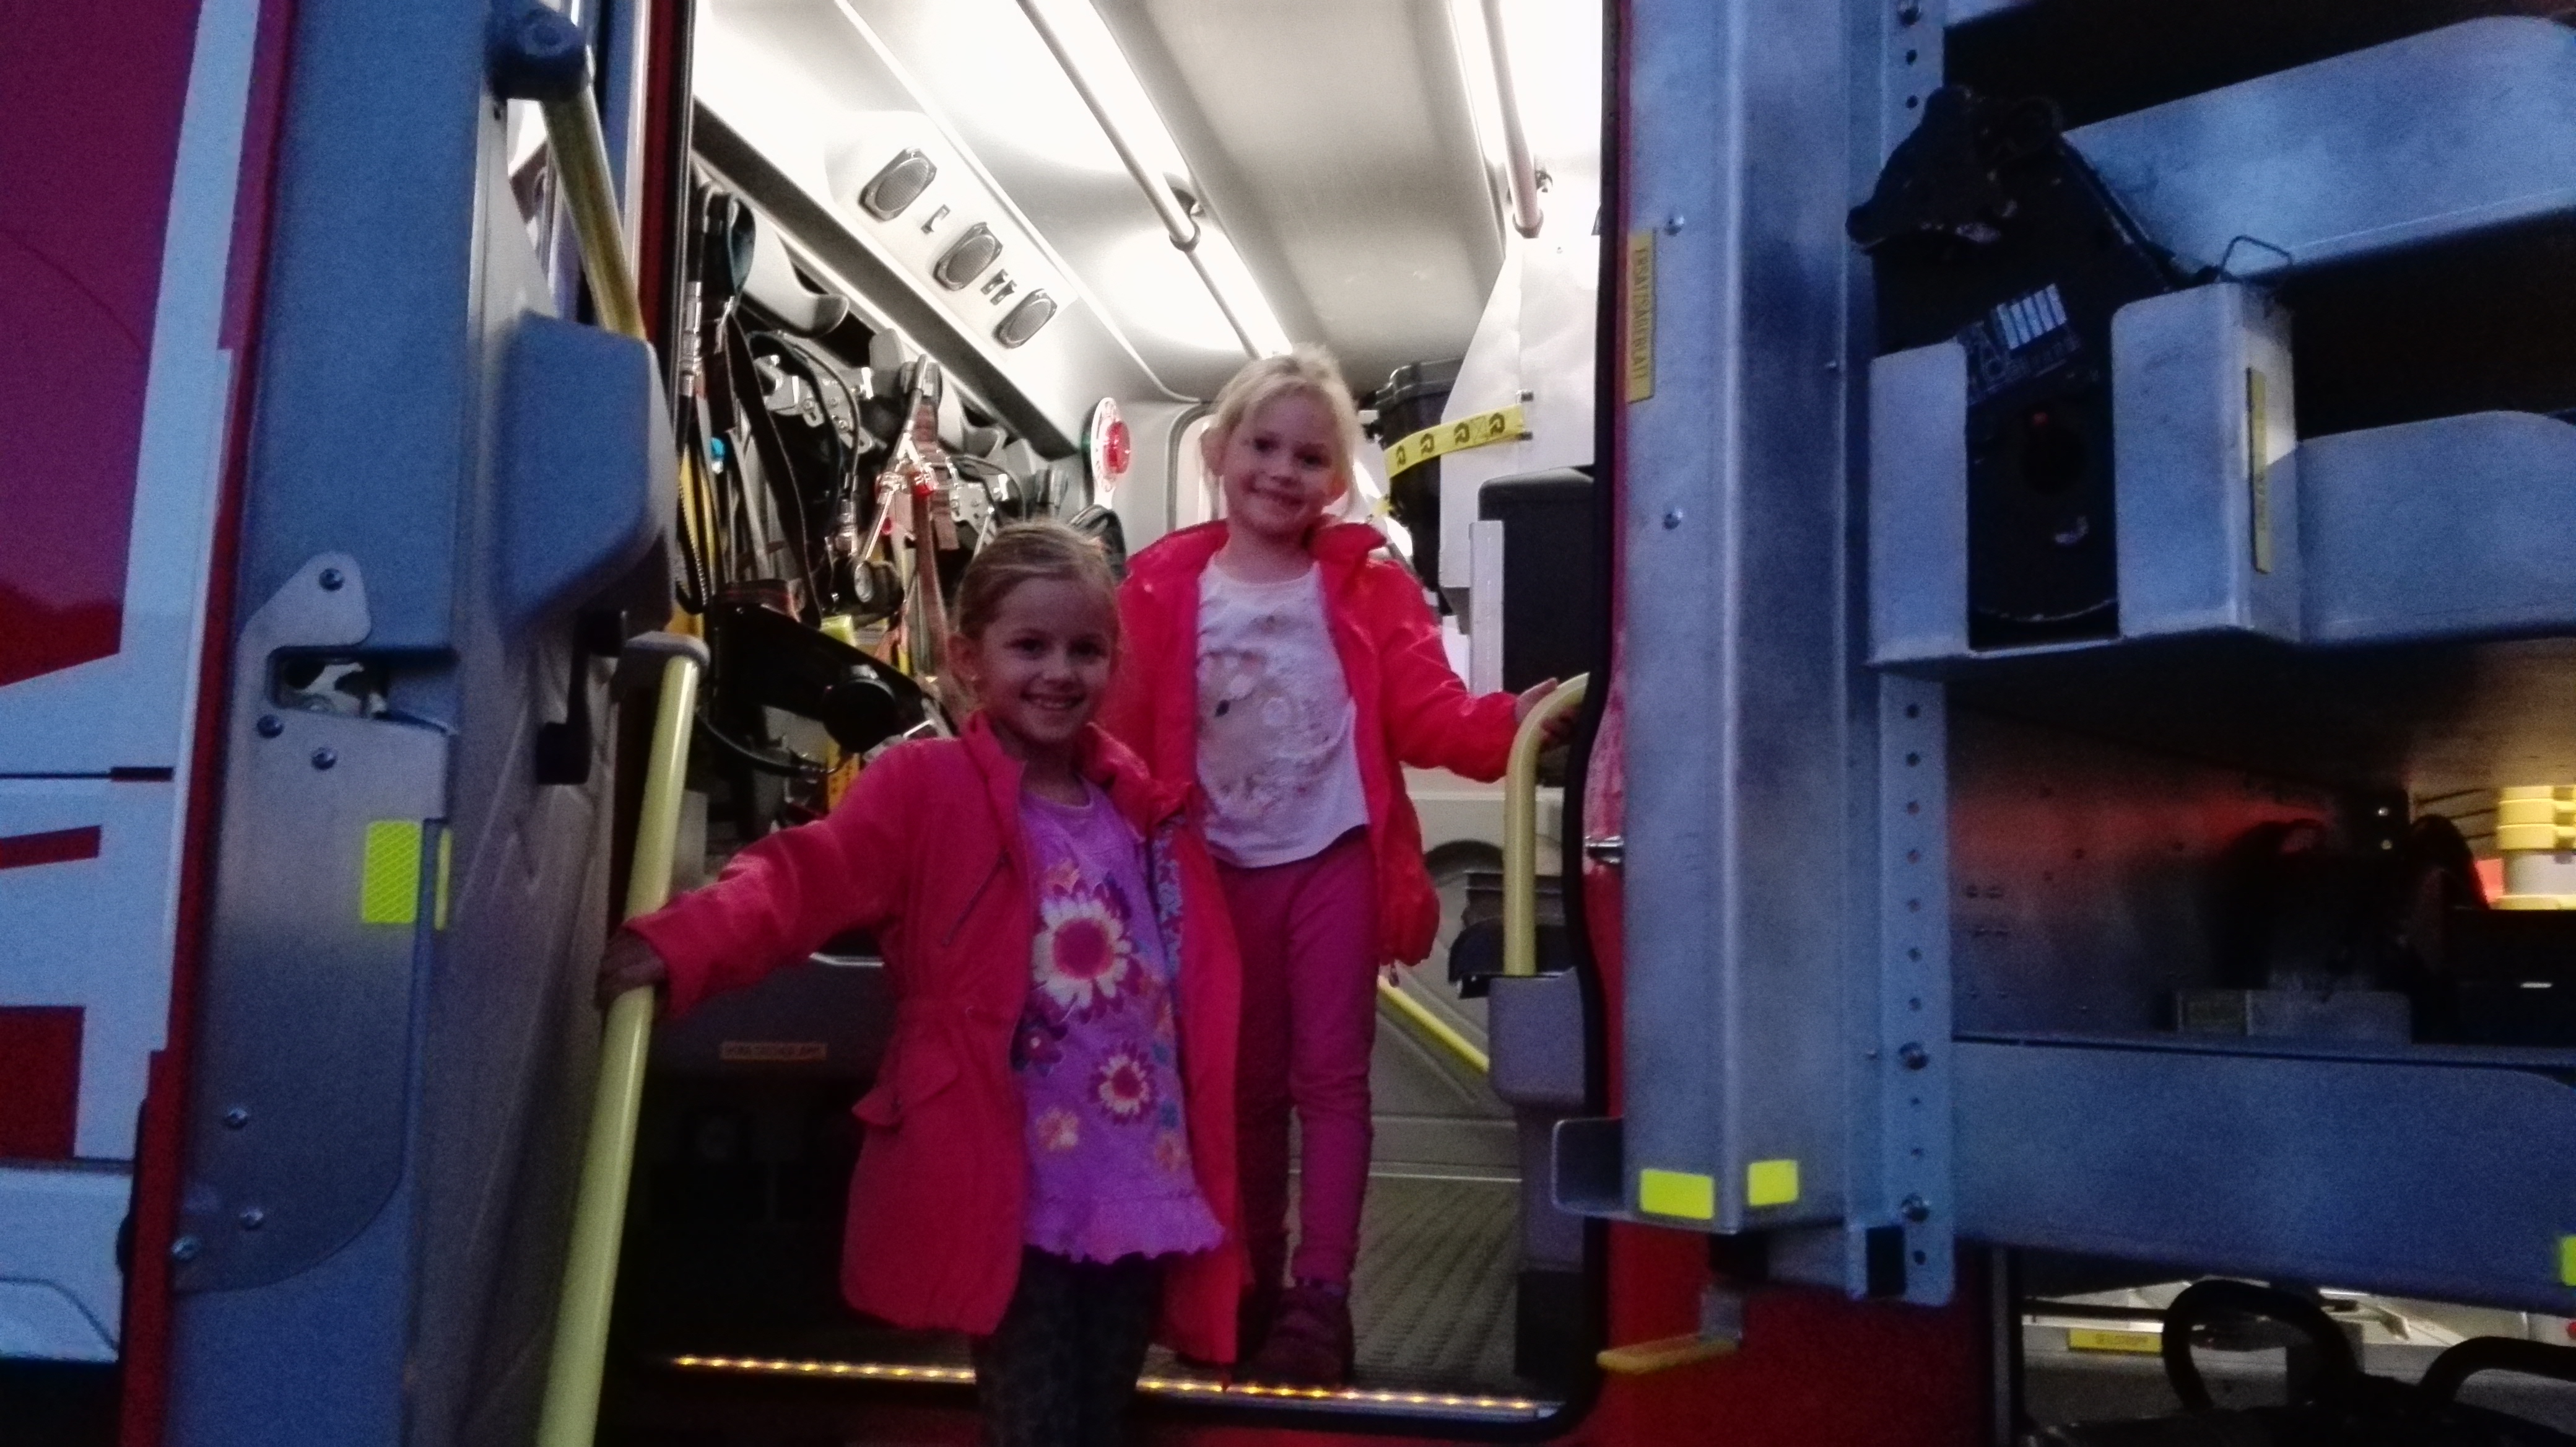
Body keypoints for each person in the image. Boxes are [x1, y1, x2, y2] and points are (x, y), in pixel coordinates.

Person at [598, 521, 1245, 1447]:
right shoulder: (926, 788)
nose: (1059, 672)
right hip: (1014, 1175)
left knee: (1101, 1411)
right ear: (968, 659)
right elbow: (803, 878)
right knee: (1034, 1420)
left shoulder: (1136, 805)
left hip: (1135, 1163)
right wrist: (683, 945)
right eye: (1030, 646)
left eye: (1085, 650)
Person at [1100, 347, 1559, 1386]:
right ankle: (1250, 1281)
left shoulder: (1364, 582)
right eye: (1262, 446)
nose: (1282, 470)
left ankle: (1322, 1295)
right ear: (1219, 453)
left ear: (1337, 480)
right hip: (1215, 871)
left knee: (1333, 1082)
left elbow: (1428, 714)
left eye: (1310, 457)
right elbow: (1119, 742)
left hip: (1332, 859)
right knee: (1244, 1089)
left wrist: (1512, 727)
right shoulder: (1163, 586)